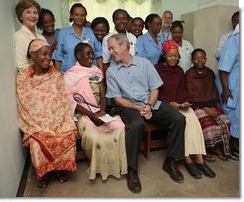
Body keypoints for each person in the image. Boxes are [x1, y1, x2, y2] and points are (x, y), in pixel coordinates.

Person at [106, 33, 186, 194]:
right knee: (136, 125)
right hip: (129, 107)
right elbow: (117, 99)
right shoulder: (111, 71)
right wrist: (137, 108)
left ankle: (171, 161)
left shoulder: (144, 63)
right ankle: (132, 170)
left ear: (124, 46)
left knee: (179, 119)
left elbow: (155, 88)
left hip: (150, 102)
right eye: (108, 49)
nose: (110, 52)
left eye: (112, 48)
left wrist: (149, 105)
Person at [16, 39, 77, 188]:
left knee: (67, 134)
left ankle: (59, 170)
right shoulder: (23, 77)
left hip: (58, 120)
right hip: (35, 123)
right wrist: (41, 125)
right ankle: (44, 173)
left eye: (50, 54)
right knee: (37, 142)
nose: (48, 58)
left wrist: (57, 123)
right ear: (33, 54)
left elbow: (61, 101)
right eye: (44, 54)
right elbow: (25, 104)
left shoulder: (56, 75)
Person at [64, 42, 127, 180]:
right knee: (94, 137)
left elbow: (103, 95)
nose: (92, 56)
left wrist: (102, 111)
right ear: (78, 55)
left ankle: (113, 165)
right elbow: (71, 100)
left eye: (92, 53)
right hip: (84, 114)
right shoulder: (71, 75)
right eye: (88, 53)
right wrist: (91, 114)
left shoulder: (97, 71)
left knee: (120, 128)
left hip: (99, 111)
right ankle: (98, 167)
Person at [155, 40, 216, 180]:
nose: (173, 58)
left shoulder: (179, 71)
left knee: (193, 119)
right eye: (170, 55)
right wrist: (169, 103)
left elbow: (182, 90)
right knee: (183, 121)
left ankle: (200, 159)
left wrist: (186, 101)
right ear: (164, 55)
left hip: (180, 103)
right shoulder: (157, 69)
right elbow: (154, 91)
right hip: (165, 105)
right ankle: (188, 160)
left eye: (176, 56)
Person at [185, 48, 231, 161]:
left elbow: (213, 91)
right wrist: (205, 108)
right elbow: (192, 95)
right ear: (192, 60)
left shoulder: (210, 72)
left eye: (202, 58)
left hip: (211, 104)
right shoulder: (189, 74)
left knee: (226, 121)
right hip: (196, 106)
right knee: (208, 126)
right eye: (196, 58)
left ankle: (216, 148)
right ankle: (204, 151)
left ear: (206, 59)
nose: (199, 60)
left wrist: (213, 106)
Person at [52, 3, 103, 74]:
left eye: (82, 15)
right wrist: (58, 77)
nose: (80, 17)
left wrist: (102, 76)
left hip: (90, 74)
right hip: (69, 74)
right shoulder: (63, 32)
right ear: (71, 15)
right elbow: (58, 57)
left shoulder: (91, 32)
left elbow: (98, 55)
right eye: (76, 14)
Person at [215, 23, 239, 160]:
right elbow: (223, 67)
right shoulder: (235, 40)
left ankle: (236, 144)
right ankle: (231, 146)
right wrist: (225, 89)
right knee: (233, 115)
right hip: (230, 86)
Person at [14, 0, 46, 70]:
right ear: (21, 16)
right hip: (32, 78)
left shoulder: (41, 37)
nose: (32, 16)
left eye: (35, 12)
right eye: (28, 12)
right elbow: (21, 65)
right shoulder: (19, 36)